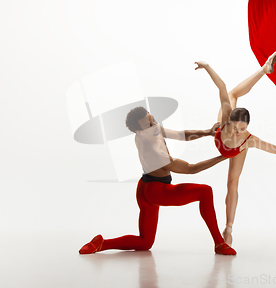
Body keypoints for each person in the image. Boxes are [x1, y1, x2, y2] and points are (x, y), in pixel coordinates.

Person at [79, 106, 236, 255]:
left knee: (145, 243)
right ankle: (219, 244)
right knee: (205, 191)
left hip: (144, 187)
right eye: (149, 124)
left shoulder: (151, 130)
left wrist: (208, 132)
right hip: (157, 192)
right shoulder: (155, 152)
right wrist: (224, 156)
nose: (154, 125)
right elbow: (190, 168)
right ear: (139, 132)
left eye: (152, 119)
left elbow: (181, 135)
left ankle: (101, 243)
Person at [194, 51, 276, 246]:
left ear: (247, 127)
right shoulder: (226, 119)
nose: (237, 132)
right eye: (235, 128)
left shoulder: (247, 140)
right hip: (220, 134)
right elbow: (222, 87)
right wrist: (207, 66)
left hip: (237, 152)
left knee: (232, 184)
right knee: (231, 95)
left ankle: (229, 228)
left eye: (242, 129)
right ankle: (263, 70)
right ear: (230, 122)